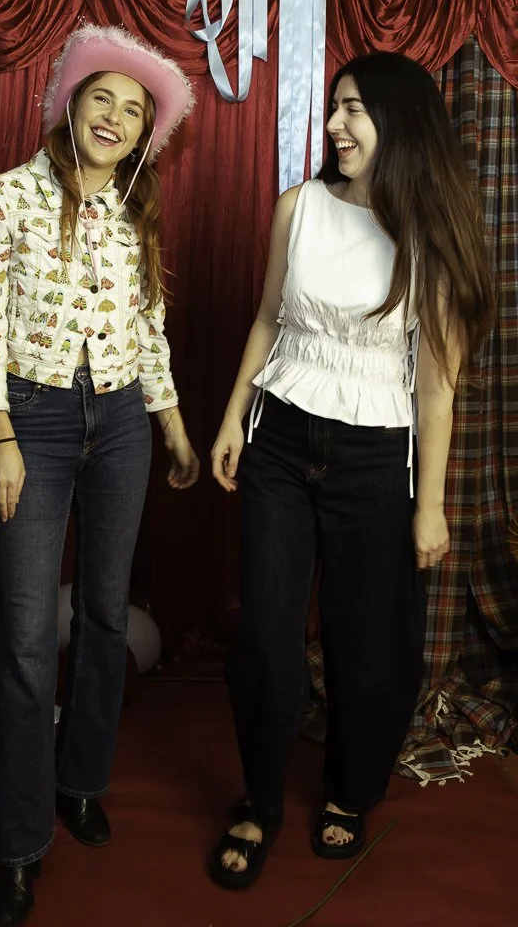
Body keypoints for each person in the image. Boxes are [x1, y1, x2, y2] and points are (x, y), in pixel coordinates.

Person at [209, 52, 494, 888]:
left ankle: (349, 791)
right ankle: (257, 803)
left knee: (367, 642)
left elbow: (437, 387)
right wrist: (233, 416)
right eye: (335, 107)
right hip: (282, 438)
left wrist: (429, 507)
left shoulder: (431, 233)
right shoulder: (297, 208)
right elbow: (267, 319)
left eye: (355, 110)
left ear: (398, 123)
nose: (335, 124)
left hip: (378, 455)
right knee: (263, 633)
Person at [0, 25, 200, 926]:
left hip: (125, 425)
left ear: (146, 133)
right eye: (102, 96)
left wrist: (172, 426)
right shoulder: (7, 197)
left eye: (134, 108)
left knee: (105, 613)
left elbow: (149, 327)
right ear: (70, 101)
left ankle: (82, 780)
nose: (115, 116)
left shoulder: (132, 212)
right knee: (27, 638)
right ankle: (21, 845)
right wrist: (1, 435)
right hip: (33, 418)